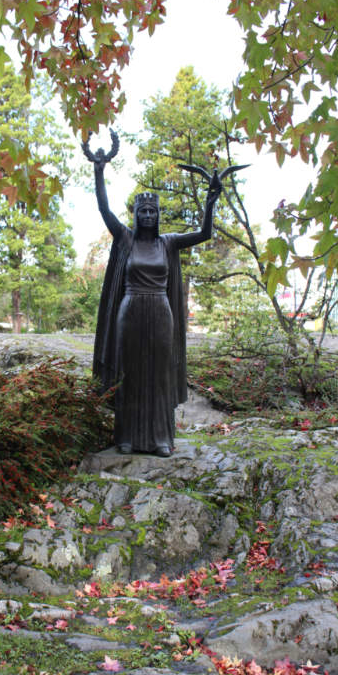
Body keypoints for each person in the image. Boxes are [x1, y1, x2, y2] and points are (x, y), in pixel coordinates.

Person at [85, 131, 223, 457]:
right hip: (130, 311)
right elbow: (104, 210)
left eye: (153, 212)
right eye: (143, 211)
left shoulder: (168, 242)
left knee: (159, 373)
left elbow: (204, 233)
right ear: (136, 214)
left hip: (161, 312)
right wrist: (99, 170)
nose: (148, 216)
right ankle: (128, 437)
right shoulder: (125, 239)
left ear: (158, 215)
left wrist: (210, 202)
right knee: (129, 372)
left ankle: (162, 437)